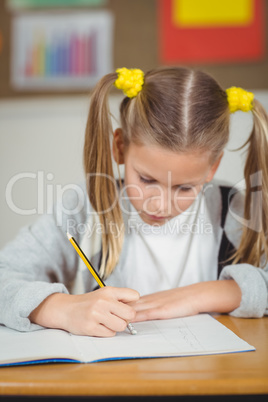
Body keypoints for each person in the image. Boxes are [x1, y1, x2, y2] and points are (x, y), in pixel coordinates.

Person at [1, 66, 268, 337]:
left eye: (184, 187)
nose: (160, 205)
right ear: (120, 147)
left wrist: (206, 294)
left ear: (213, 167)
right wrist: (62, 308)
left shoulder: (236, 210)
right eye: (147, 180)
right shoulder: (85, 207)